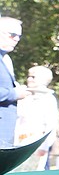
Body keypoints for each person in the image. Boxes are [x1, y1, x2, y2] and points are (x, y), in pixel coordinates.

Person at [14, 66, 59, 171]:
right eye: (29, 76)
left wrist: (44, 146)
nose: (29, 79)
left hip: (36, 145)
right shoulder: (24, 96)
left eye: (33, 77)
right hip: (19, 143)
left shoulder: (48, 98)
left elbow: (51, 125)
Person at [0, 17, 30, 147]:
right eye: (12, 35)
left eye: (19, 36)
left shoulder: (5, 58)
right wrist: (14, 93)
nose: (17, 39)